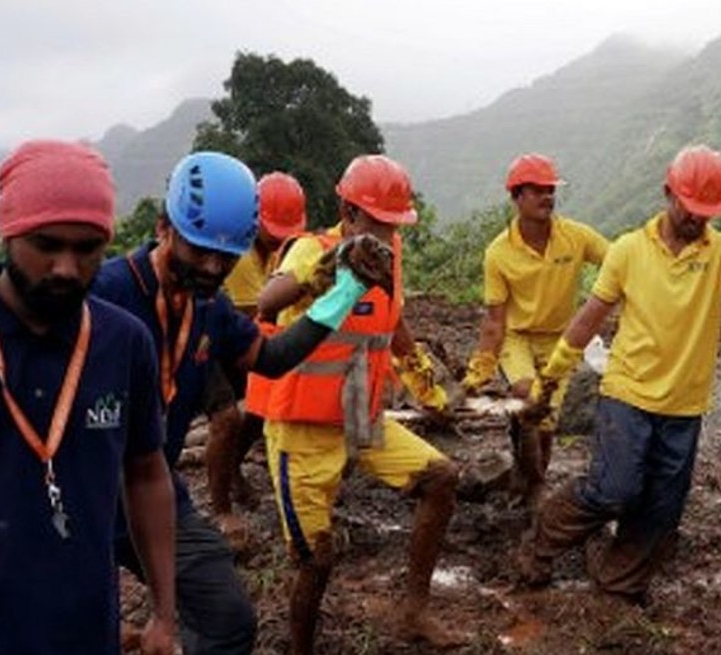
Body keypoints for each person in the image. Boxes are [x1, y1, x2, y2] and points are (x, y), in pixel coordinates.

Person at [92, 151, 391, 655]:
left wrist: (342, 294)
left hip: (156, 490)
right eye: (200, 250)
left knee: (227, 621)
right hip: (81, 497)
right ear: (164, 227)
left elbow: (269, 358)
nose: (212, 267)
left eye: (226, 257)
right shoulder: (106, 294)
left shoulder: (208, 306)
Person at [0, 140, 177, 654]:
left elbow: (145, 471)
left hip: (80, 632)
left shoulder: (123, 342)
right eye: (47, 245)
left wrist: (164, 612)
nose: (67, 267)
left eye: (88, 248)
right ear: (9, 232)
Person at [513, 145, 721, 603]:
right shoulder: (628, 250)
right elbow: (590, 316)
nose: (697, 219)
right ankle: (540, 544)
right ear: (668, 193)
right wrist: (551, 377)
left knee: (661, 510)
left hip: (684, 405)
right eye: (690, 208)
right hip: (628, 394)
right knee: (612, 489)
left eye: (707, 212)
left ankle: (615, 576)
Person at [256, 154, 466, 653]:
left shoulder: (387, 257)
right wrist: (322, 277)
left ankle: (414, 611)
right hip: (302, 430)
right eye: (380, 223)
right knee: (316, 560)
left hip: (360, 418)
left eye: (397, 226)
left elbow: (394, 325)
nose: (391, 236)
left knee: (442, 478)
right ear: (348, 212)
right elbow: (267, 301)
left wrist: (427, 385)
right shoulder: (312, 251)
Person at [460, 153, 609, 504]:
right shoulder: (498, 253)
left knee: (545, 424)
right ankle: (537, 485)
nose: (547, 197)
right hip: (517, 338)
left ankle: (527, 476)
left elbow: (619, 260)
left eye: (550, 189)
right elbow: (495, 321)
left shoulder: (575, 236)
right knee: (530, 398)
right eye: (537, 190)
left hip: (560, 339)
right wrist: (477, 373)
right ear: (516, 196)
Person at [204, 171, 309, 550]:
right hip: (207, 338)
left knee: (262, 408)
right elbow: (259, 314)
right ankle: (220, 508)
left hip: (239, 338)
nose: (279, 239)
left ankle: (232, 469)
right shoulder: (244, 253)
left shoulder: (279, 252)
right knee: (227, 419)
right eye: (273, 230)